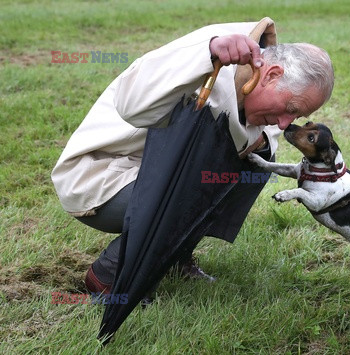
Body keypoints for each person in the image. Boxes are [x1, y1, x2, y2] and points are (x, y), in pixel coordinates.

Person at [51, 17, 334, 294]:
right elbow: (131, 105)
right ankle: (108, 274)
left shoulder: (257, 75)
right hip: (100, 175)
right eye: (291, 108)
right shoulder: (211, 49)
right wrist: (207, 53)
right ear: (272, 76)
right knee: (206, 181)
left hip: (154, 172)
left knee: (254, 166)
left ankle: (173, 255)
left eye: (297, 115)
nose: (286, 124)